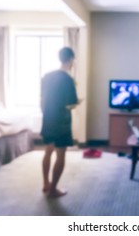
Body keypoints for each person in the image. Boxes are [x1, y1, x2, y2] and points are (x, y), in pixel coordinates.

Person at [40, 47, 79, 198]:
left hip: (48, 118)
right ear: (70, 60)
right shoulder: (68, 79)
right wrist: (77, 103)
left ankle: (45, 183)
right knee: (61, 156)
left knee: (48, 152)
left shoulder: (47, 76)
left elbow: (42, 99)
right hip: (61, 121)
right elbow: (71, 104)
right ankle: (53, 189)